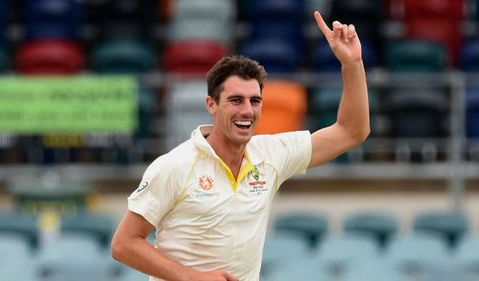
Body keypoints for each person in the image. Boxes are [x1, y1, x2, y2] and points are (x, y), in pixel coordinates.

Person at [111, 11, 370, 281]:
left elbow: (352, 131)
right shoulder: (175, 165)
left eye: (254, 101)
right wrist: (190, 277)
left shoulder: (271, 154)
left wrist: (352, 63)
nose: (247, 111)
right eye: (236, 100)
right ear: (211, 105)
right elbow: (124, 244)